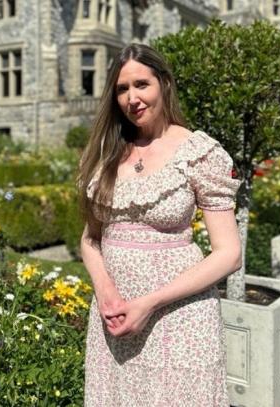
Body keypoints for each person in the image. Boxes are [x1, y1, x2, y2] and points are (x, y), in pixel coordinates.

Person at [77, 44, 242, 406]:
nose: (132, 98)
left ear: (163, 84)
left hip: (180, 319)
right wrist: (105, 290)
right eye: (122, 89)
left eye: (142, 84)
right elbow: (90, 239)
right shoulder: (107, 154)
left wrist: (149, 303)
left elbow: (229, 254)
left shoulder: (198, 152)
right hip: (115, 317)